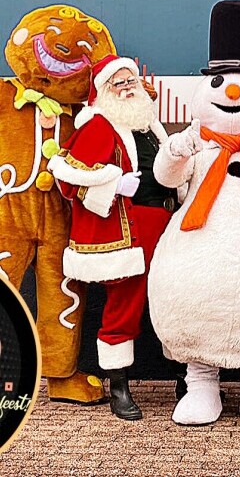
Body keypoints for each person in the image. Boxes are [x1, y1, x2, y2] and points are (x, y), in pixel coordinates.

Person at [48, 55, 178, 421]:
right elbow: (67, 178)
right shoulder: (99, 125)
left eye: (129, 81)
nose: (126, 88)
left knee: (176, 297)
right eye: (117, 83)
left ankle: (188, 377)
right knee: (126, 304)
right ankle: (119, 386)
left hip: (169, 222)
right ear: (103, 91)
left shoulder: (151, 123)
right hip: (130, 228)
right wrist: (113, 182)